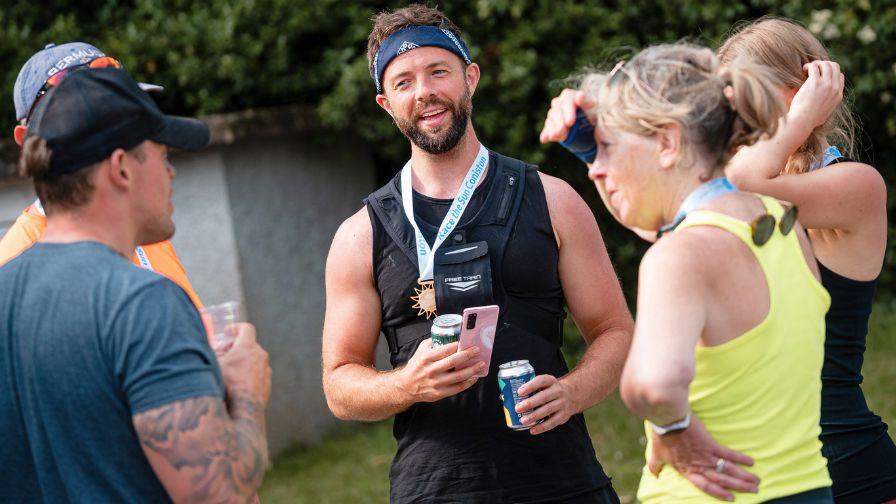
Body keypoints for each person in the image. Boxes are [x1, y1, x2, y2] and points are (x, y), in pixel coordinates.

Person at [322, 4, 633, 503]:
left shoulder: (553, 200)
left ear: (470, 78)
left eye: (437, 72)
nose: (423, 92)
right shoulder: (360, 235)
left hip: (564, 483)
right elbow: (340, 386)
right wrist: (407, 385)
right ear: (386, 103)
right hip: (435, 491)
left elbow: (615, 331)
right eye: (403, 82)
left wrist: (572, 392)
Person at [541, 43, 833, 502]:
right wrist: (594, 149)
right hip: (806, 488)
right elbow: (658, 218)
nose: (596, 170)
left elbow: (653, 384)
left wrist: (672, 426)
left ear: (668, 143)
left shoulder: (679, 256)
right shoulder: (780, 223)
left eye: (609, 146)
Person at [0, 68, 270, 502]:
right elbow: (218, 493)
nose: (172, 173)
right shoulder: (144, 303)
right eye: (162, 155)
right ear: (122, 168)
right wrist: (246, 392)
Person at [719, 18, 894, 504]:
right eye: (726, 100)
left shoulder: (855, 184)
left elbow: (737, 188)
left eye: (748, 95)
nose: (733, 116)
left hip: (845, 468)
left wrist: (798, 122)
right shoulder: (736, 181)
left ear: (804, 94)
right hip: (758, 471)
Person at [0, 41, 203, 309]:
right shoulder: (14, 262)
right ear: (26, 140)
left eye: (123, 112)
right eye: (79, 117)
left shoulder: (140, 220)